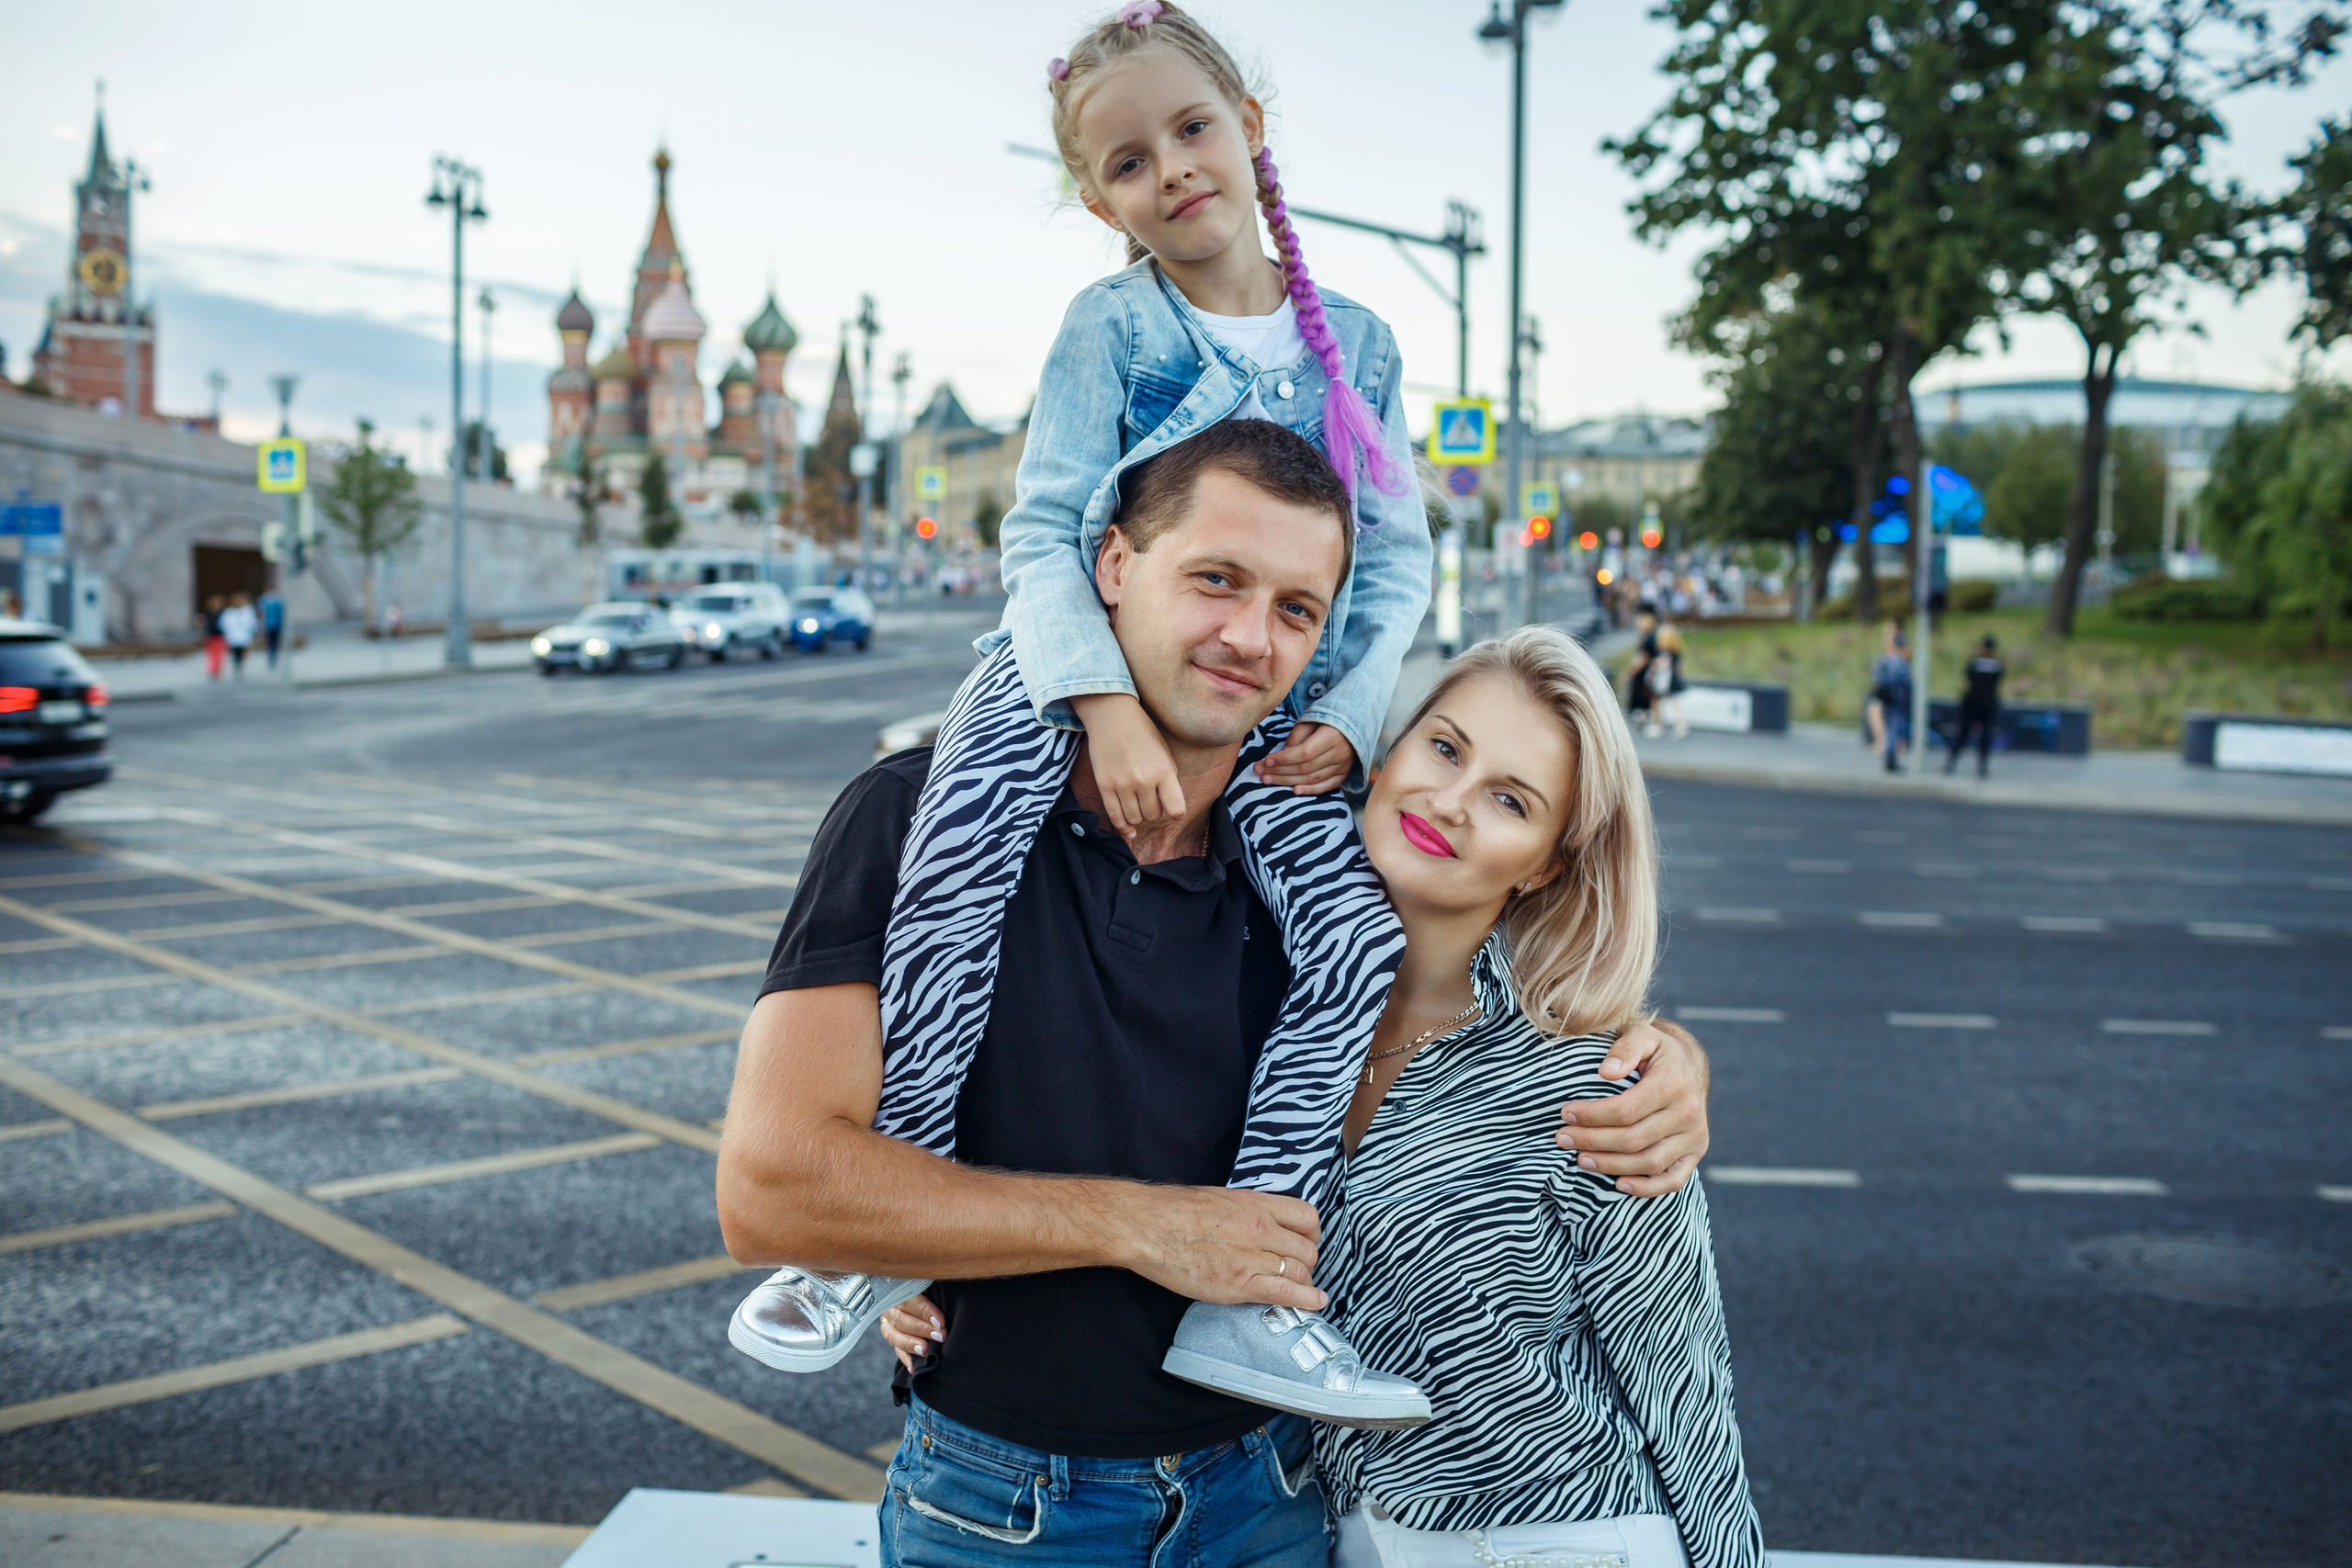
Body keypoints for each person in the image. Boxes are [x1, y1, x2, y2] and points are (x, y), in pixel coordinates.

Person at [716, 422, 1712, 1568]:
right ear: (1111, 566)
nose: (1250, 636)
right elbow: (772, 1195)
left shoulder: (1328, 871)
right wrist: (1146, 1230)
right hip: (1004, 1509)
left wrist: (1664, 1054)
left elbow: (1492, 984)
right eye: (1216, 580)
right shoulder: (920, 820)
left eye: (1297, 609)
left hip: (1274, 1503)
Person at [887, 629, 1758, 1568]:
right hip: (1307, 1531)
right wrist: (933, 1271)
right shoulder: (1251, 984)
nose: (1451, 802)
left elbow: (1686, 1401)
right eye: (1444, 748)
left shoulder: (1592, 1090)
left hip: (1557, 1542)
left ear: (1545, 861)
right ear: (1383, 752)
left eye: (1509, 800)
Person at [993, 0, 1430, 835]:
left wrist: (1352, 714)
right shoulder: (1112, 324)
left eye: (1193, 128)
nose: (1172, 169)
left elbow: (1395, 556)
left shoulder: (1360, 344)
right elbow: (1045, 533)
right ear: (1100, 206)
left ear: (1250, 124)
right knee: (963, 852)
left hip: (1281, 725)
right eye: (1129, 163)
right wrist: (1106, 709)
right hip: (1093, 713)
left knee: (1362, 938)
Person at [1946, 633, 2004, 777]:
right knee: (1973, 736)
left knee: (1967, 735)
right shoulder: (1995, 665)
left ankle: (1955, 763)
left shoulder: (1977, 663)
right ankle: (1968, 764)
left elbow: (1968, 678)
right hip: (1982, 704)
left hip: (1976, 704)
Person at [1866, 620, 1910, 773]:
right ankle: (1890, 759)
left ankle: (1889, 757)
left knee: (1890, 727)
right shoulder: (1900, 662)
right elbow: (1905, 681)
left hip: (1887, 698)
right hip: (1896, 698)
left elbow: (1877, 675)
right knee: (1894, 728)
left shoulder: (1884, 660)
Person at [1646, 623, 1688, 740]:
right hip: (1662, 682)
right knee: (1656, 703)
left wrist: (1657, 664)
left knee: (1674, 704)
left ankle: (1680, 726)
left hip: (1668, 682)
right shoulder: (1666, 652)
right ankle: (1657, 724)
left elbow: (1666, 664)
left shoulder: (1672, 653)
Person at [219, 593, 257, 679]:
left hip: (235, 636)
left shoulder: (233, 611)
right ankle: (239, 666)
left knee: (237, 653)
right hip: (241, 636)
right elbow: (253, 624)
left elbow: (222, 624)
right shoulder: (245, 611)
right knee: (240, 653)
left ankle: (237, 666)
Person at [198, 594, 226, 680]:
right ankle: (212, 669)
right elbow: (202, 624)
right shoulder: (207, 614)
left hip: (219, 636)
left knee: (219, 654)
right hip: (210, 636)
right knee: (211, 655)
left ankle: (216, 670)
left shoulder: (223, 614)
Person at [259, 588, 286, 669]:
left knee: (271, 642)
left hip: (271, 624)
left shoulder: (265, 600)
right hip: (274, 624)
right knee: (273, 642)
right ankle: (272, 656)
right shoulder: (277, 600)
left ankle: (272, 656)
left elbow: (261, 612)